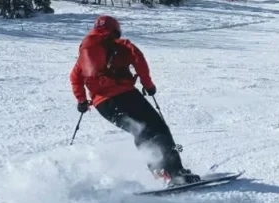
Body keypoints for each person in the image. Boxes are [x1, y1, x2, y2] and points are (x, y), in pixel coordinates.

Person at [70, 15, 200, 186]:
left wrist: (82, 101)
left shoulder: (84, 55)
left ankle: (161, 172)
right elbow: (139, 59)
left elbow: (74, 78)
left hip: (103, 106)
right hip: (125, 96)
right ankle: (176, 172)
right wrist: (148, 85)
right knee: (157, 128)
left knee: (140, 131)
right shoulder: (122, 46)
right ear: (115, 30)